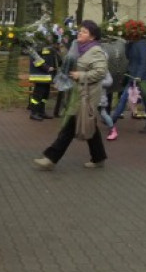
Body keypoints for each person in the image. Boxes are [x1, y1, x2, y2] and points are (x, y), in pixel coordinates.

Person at [32, 20, 109, 172]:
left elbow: (100, 72)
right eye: (80, 30)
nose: (80, 33)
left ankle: (51, 158)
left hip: (87, 95)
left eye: (85, 32)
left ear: (92, 37)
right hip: (78, 94)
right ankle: (99, 157)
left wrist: (80, 75)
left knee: (69, 128)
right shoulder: (79, 48)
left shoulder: (96, 51)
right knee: (89, 125)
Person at [26, 33, 59, 120]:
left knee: (45, 95)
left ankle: (41, 112)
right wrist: (47, 68)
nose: (50, 37)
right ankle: (33, 113)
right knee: (37, 96)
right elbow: (36, 60)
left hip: (47, 76)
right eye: (48, 36)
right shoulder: (37, 46)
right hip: (40, 76)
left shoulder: (48, 46)